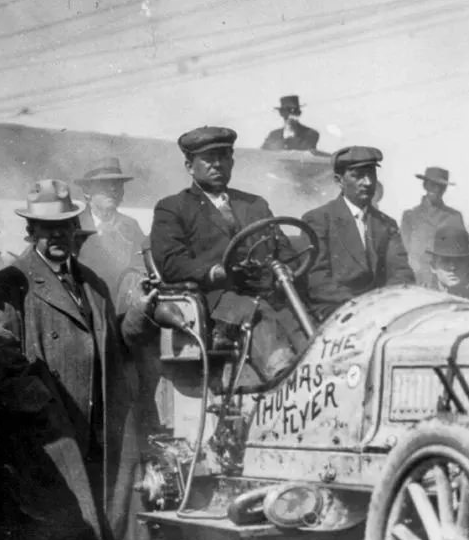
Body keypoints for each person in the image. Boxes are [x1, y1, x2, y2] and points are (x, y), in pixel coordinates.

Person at [0, 179, 154, 540]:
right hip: (44, 430)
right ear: (32, 231)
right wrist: (42, 407)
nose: (57, 237)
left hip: (93, 424)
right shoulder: (7, 285)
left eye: (65, 227)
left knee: (89, 520)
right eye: (46, 228)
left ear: (77, 230)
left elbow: (116, 341)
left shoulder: (90, 283)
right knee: (44, 526)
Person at [151, 125, 302, 374]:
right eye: (208, 159)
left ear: (232, 162)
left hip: (264, 294)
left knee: (298, 319)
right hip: (215, 300)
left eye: (223, 157)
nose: (217, 165)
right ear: (190, 167)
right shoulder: (173, 208)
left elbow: (283, 249)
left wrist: (286, 265)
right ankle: (283, 379)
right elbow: (171, 264)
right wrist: (215, 272)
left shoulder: (255, 204)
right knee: (258, 315)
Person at [302, 146, 415, 319]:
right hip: (336, 310)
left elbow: (401, 273)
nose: (368, 182)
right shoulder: (318, 219)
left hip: (381, 309)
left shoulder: (386, 224)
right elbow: (318, 281)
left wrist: (383, 304)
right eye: (358, 175)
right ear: (339, 181)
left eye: (371, 174)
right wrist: (363, 306)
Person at [76, 158, 147, 300]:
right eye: (104, 184)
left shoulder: (131, 226)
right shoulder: (73, 226)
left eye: (118, 184)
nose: (113, 189)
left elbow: (142, 266)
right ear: (87, 191)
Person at [400, 166, 465, 288]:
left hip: (448, 281)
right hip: (418, 281)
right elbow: (404, 252)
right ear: (425, 185)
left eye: (441, 186)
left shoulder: (454, 217)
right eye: (432, 185)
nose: (436, 189)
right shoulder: (410, 216)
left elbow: (463, 251)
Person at [423, 224, 469, 302]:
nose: (453, 267)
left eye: (460, 260)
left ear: (468, 266)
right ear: (433, 267)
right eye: (446, 260)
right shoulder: (422, 298)